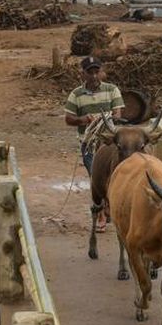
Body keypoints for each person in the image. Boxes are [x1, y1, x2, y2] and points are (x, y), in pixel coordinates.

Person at [63, 56, 124, 227]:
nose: (94, 76)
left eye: (97, 72)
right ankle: (101, 215)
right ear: (83, 74)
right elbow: (68, 119)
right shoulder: (76, 94)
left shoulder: (112, 90)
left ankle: (109, 206)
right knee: (95, 177)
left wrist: (106, 119)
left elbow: (118, 115)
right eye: (90, 72)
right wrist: (83, 119)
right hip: (89, 142)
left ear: (102, 72)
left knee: (113, 175)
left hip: (110, 143)